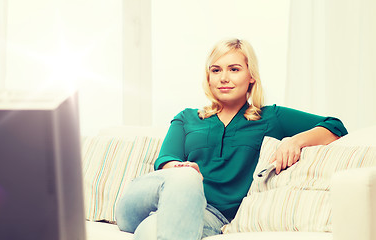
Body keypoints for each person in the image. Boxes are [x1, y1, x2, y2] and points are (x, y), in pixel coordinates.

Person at [115, 38, 348, 240]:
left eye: (234, 69)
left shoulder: (270, 117)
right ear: (208, 77)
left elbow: (335, 125)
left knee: (151, 231)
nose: (224, 78)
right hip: (146, 200)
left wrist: (295, 141)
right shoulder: (187, 118)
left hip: (210, 213)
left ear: (251, 77)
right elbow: (166, 160)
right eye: (216, 70)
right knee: (186, 178)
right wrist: (181, 168)